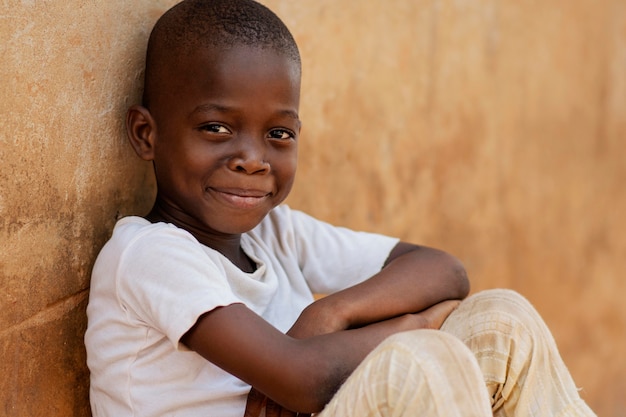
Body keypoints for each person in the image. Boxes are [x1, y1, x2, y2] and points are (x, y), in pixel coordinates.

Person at [84, 0, 596, 416]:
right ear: (146, 134)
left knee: (501, 320)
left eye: (278, 134)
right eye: (216, 128)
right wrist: (414, 325)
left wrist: (331, 312)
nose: (251, 160)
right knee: (419, 366)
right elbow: (302, 379)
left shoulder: (275, 233)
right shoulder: (149, 255)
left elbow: (443, 269)